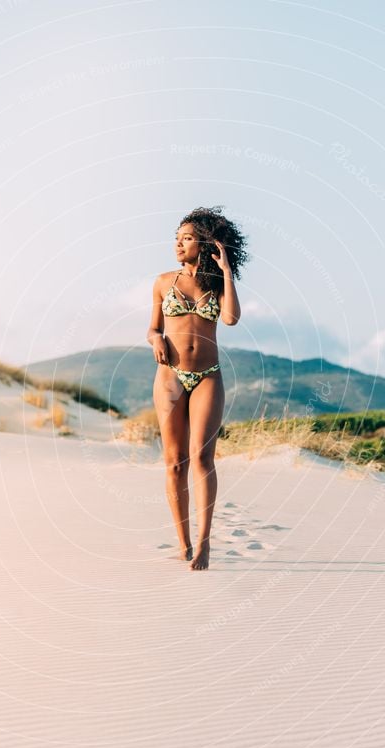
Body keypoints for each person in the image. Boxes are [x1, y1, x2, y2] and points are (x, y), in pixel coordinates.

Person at [147, 206, 250, 570]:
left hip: (208, 374)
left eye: (186, 239)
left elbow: (232, 319)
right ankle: (184, 543)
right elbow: (153, 328)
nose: (178, 245)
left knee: (203, 458)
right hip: (171, 375)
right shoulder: (163, 282)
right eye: (176, 239)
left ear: (204, 243)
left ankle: (205, 544)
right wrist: (156, 340)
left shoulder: (217, 284)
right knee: (176, 463)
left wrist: (226, 272)